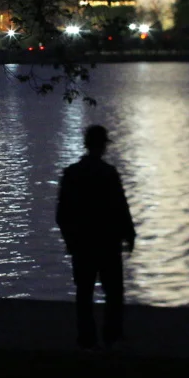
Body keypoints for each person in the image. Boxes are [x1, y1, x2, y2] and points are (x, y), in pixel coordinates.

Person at [56, 125, 136, 349]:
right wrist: (129, 235)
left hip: (82, 243)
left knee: (84, 292)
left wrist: (70, 239)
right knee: (113, 291)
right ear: (103, 146)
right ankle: (112, 334)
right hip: (108, 242)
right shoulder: (109, 173)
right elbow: (121, 208)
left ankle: (86, 336)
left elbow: (62, 214)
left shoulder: (72, 173)